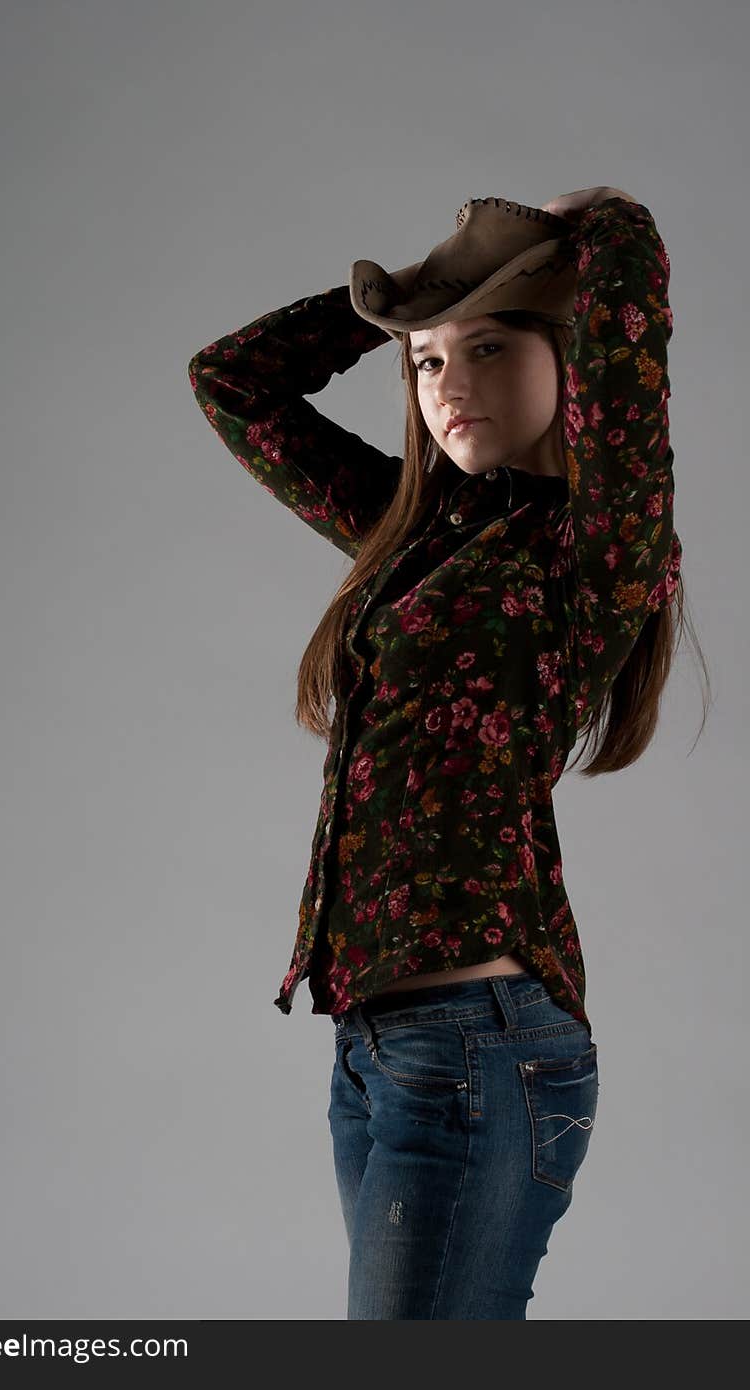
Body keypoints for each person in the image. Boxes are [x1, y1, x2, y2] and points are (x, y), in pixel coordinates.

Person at [187, 187, 694, 1319]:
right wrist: (399, 304)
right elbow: (231, 384)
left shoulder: (596, 549)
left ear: (564, 353)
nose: (447, 384)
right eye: (422, 362)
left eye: (489, 344)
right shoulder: (414, 534)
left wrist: (607, 225)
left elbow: (629, 358)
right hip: (376, 1053)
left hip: (476, 1051)